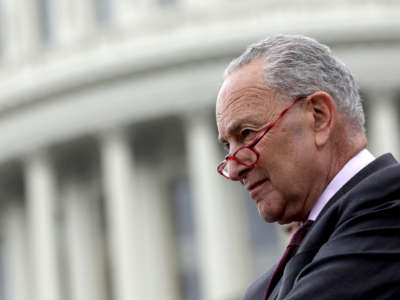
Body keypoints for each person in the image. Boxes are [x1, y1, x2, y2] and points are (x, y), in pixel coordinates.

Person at [215, 34, 400, 300]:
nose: (233, 171)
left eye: (247, 133)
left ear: (319, 117)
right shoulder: (263, 288)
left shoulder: (390, 211)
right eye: (227, 147)